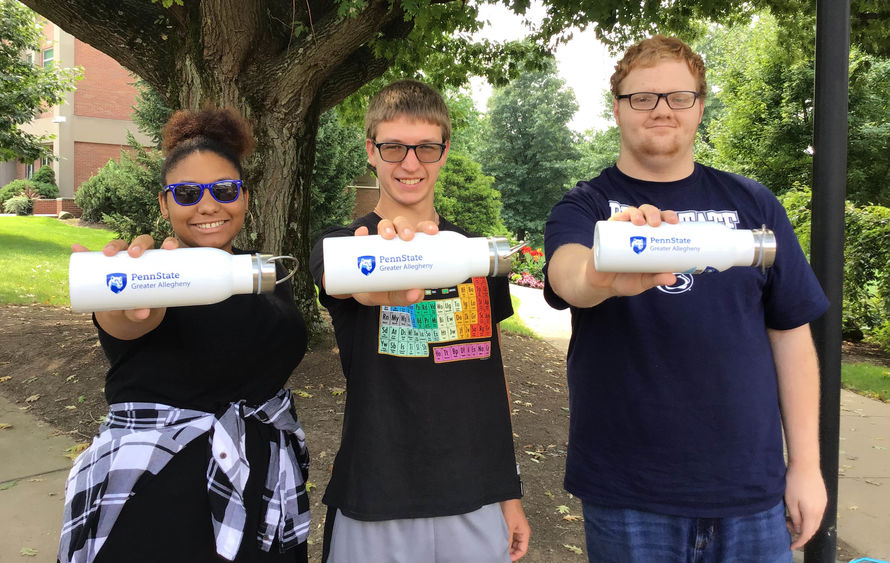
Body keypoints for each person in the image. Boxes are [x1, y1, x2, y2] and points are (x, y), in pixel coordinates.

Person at [543, 35, 830, 562]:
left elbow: (791, 336)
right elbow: (568, 277)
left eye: (679, 97)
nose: (661, 110)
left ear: (699, 107)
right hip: (627, 493)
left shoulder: (753, 204)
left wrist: (807, 467)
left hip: (750, 493)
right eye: (642, 97)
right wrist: (607, 272)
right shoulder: (583, 207)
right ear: (617, 108)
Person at [58, 108, 311, 563]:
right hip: (160, 494)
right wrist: (125, 301)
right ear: (164, 203)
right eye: (188, 193)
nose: (208, 205)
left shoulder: (266, 272)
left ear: (245, 197)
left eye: (224, 190)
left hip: (265, 488)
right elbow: (128, 318)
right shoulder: (146, 276)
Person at [309, 79, 530, 563]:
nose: (410, 163)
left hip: (475, 497)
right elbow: (345, 279)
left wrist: (508, 492)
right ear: (371, 151)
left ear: (444, 153)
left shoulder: (476, 255)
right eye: (393, 148)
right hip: (375, 496)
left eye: (426, 148)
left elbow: (493, 380)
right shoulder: (346, 246)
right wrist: (386, 275)